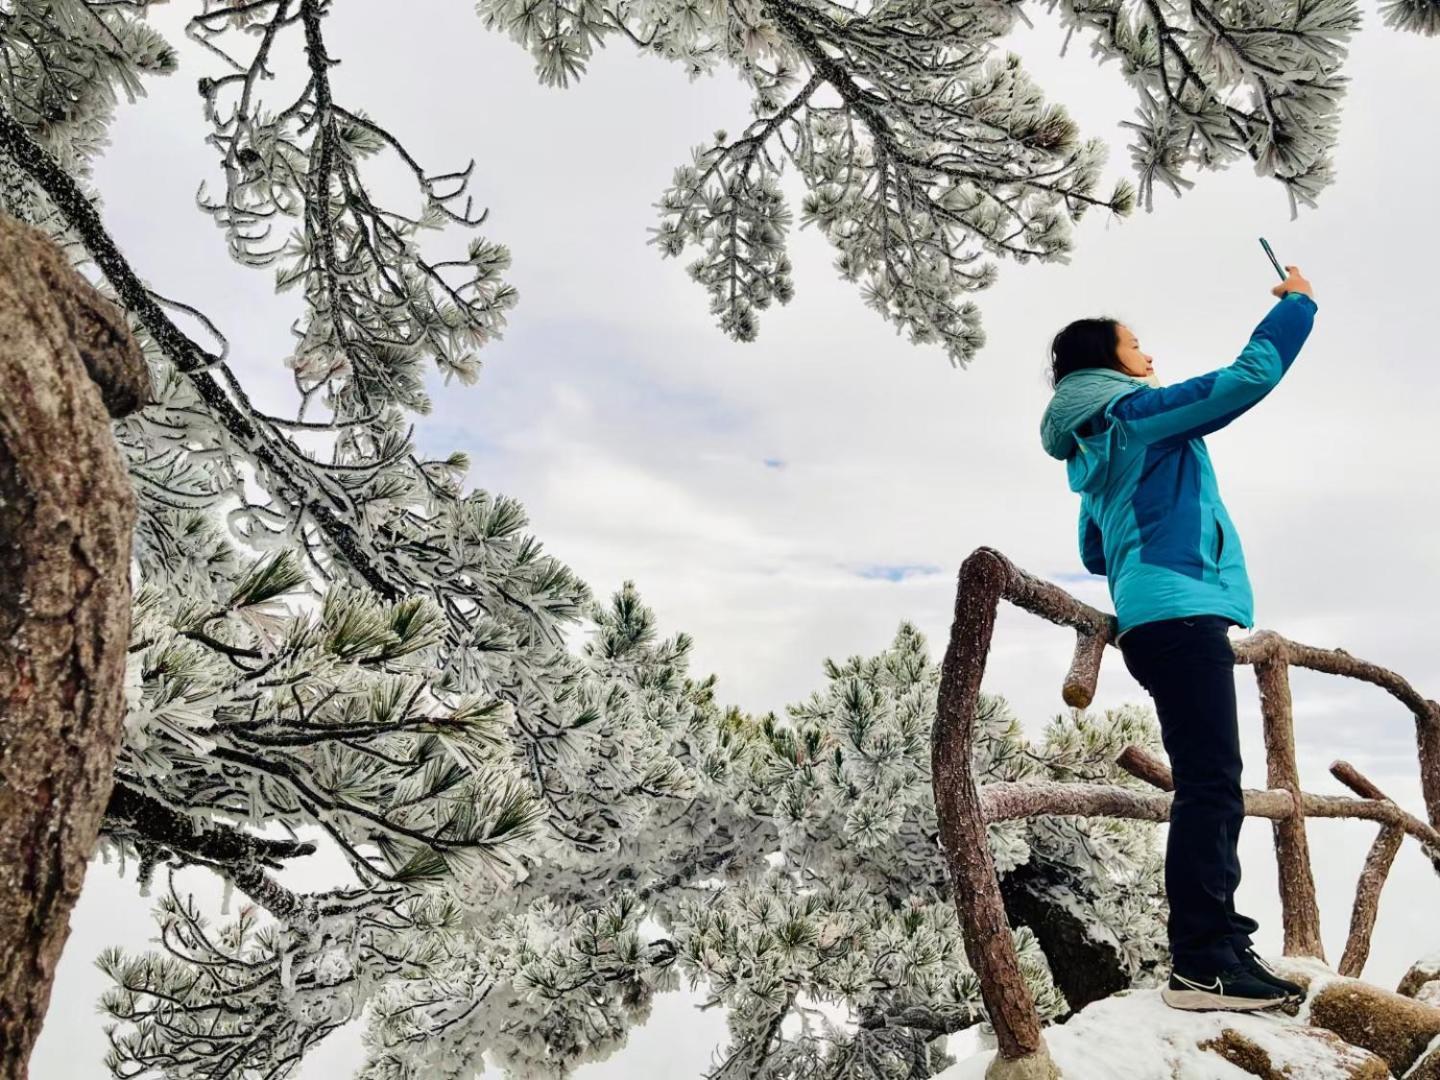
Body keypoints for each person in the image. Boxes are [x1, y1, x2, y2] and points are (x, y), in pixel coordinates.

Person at [1038, 266, 1319, 1011]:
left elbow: (1097, 552)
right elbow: (1243, 380)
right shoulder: (1133, 414)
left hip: (1156, 618)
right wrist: (1298, 305)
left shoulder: (1091, 446)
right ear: (1106, 359)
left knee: (1209, 781)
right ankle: (1203, 961)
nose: (1148, 353)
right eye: (1136, 345)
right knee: (1211, 786)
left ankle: (1220, 946)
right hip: (1182, 613)